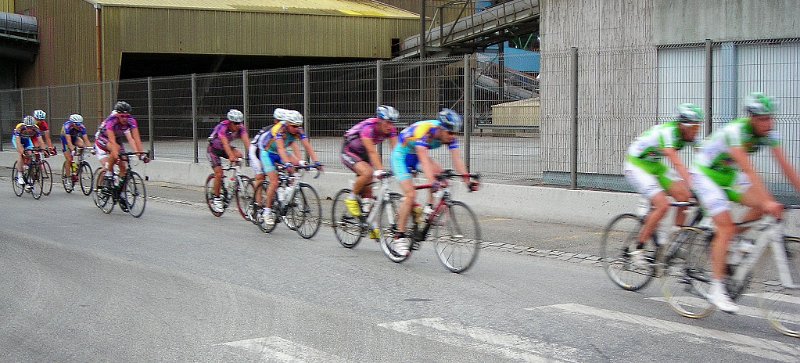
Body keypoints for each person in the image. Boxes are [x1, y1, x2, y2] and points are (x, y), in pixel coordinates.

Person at [692, 92, 800, 313]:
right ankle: (717, 289)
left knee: (761, 206)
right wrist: (769, 201)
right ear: (751, 118)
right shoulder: (736, 132)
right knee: (726, 226)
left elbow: (786, 167)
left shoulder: (769, 134)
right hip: (705, 173)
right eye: (763, 119)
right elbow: (749, 170)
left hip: (728, 174)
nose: (768, 123)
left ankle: (735, 239)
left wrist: (770, 201)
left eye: (770, 118)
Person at [389, 108, 479, 256]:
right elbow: (424, 160)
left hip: (416, 155)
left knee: (442, 176)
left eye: (455, 133)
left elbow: (457, 159)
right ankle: (399, 237)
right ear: (441, 129)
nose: (453, 136)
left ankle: (428, 209)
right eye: (450, 133)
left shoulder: (449, 136)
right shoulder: (425, 131)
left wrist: (467, 181)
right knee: (411, 194)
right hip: (401, 157)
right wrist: (432, 181)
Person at [623, 103, 702, 265]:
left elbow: (704, 159)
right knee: (663, 205)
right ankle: (638, 248)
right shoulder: (668, 133)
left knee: (684, 196)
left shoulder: (690, 136)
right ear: (682, 125)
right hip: (636, 164)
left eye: (698, 127)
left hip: (654, 164)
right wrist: (694, 185)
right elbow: (677, 163)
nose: (696, 131)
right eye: (694, 127)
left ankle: (675, 242)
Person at [257, 110, 321, 228]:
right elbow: (281, 149)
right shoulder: (280, 130)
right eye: (294, 126)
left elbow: (308, 146)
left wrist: (316, 162)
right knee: (274, 182)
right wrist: (287, 163)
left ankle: (288, 194)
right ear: (287, 124)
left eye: (299, 126)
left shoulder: (298, 130)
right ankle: (267, 211)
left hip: (279, 152)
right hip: (267, 153)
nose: (297, 128)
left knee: (295, 169)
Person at [341, 105, 399, 219]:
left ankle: (367, 219)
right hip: (350, 150)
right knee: (368, 172)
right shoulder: (368, 127)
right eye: (387, 122)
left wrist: (401, 167)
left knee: (369, 191)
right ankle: (351, 198)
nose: (390, 126)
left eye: (392, 123)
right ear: (379, 120)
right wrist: (381, 170)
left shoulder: (391, 130)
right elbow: (372, 152)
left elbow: (396, 151)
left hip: (364, 152)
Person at [95, 101, 149, 210]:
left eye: (126, 116)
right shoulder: (112, 121)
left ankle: (122, 194)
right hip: (103, 139)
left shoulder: (131, 121)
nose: (124, 118)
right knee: (116, 152)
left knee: (124, 167)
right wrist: (116, 156)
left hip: (117, 139)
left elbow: (135, 139)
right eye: (122, 116)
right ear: (117, 114)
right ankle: (108, 173)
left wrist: (141, 154)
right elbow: (112, 142)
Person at [248, 108, 289, 219]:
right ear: (275, 121)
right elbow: (264, 149)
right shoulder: (271, 132)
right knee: (260, 176)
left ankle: (275, 201)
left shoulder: (285, 131)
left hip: (270, 151)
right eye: (280, 122)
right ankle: (258, 206)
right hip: (257, 151)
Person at [207, 109, 250, 213]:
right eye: (236, 123)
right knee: (219, 173)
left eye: (240, 123)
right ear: (230, 122)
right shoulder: (223, 127)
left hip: (224, 148)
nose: (238, 125)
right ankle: (216, 198)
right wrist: (231, 156)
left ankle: (233, 180)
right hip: (214, 150)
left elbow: (247, 142)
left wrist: (253, 154)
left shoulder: (241, 128)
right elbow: (225, 143)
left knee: (239, 155)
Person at [11, 116, 46, 185]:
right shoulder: (20, 128)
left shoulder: (36, 129)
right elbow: (18, 143)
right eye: (27, 127)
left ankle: (29, 174)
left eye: (31, 127)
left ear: (33, 126)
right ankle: (20, 175)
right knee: (21, 154)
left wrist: (44, 150)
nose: (29, 129)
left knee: (31, 154)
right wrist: (22, 151)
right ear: (25, 126)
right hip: (17, 139)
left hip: (27, 140)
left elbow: (41, 141)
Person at [61, 114, 92, 181]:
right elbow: (69, 141)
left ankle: (79, 162)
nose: (79, 126)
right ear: (72, 123)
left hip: (74, 137)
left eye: (80, 124)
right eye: (77, 124)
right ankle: (68, 178)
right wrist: (72, 150)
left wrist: (91, 149)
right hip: (65, 139)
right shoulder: (67, 127)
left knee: (82, 144)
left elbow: (86, 140)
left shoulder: (82, 127)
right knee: (69, 159)